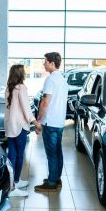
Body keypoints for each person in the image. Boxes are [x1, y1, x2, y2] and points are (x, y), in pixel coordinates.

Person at [34, 52, 68, 192]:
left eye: (45, 61)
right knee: (58, 152)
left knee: (51, 154)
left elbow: (45, 102)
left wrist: (38, 121)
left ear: (52, 63)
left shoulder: (50, 80)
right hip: (59, 122)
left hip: (50, 123)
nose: (44, 64)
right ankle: (56, 178)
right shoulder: (63, 79)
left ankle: (52, 182)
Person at [4, 64, 40, 197]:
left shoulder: (9, 88)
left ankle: (14, 182)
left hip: (10, 126)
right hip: (19, 127)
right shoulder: (21, 88)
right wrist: (35, 122)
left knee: (12, 155)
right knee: (18, 156)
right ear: (20, 74)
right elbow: (26, 108)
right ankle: (13, 187)